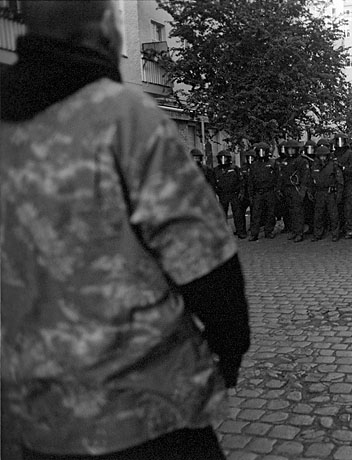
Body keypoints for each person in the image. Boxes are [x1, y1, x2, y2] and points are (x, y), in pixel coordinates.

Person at [0, 2, 251, 459]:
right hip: (147, 409)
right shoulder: (125, 117)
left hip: (38, 419)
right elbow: (207, 267)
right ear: (104, 30)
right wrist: (228, 353)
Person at [309, 145, 344, 241]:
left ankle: (335, 234)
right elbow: (311, 180)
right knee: (318, 215)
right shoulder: (314, 166)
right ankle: (317, 234)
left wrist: (339, 194)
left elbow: (339, 180)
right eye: (320, 156)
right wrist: (310, 191)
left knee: (333, 215)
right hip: (319, 192)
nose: (322, 158)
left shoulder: (333, 165)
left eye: (324, 156)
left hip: (330, 192)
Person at [279, 139, 310, 242]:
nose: (291, 152)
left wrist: (302, 190)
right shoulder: (285, 161)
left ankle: (299, 233)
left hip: (297, 188)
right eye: (289, 150)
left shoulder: (302, 161)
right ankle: (294, 231)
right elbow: (282, 176)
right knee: (290, 212)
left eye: (293, 149)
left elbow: (305, 176)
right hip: (287, 188)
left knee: (298, 212)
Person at [248, 142, 278, 241]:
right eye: (259, 152)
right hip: (258, 192)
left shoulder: (272, 163)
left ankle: (269, 231)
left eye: (263, 151)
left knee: (270, 212)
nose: (261, 153)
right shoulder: (254, 165)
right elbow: (251, 180)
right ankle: (254, 233)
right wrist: (251, 194)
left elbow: (277, 178)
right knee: (256, 213)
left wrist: (276, 190)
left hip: (269, 191)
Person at [214, 149, 247, 239]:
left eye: (225, 158)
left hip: (234, 194)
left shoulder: (234, 168)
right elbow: (214, 183)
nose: (223, 160)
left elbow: (241, 181)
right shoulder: (216, 170)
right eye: (221, 158)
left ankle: (240, 232)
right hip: (223, 195)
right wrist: (218, 192)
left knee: (237, 214)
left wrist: (241, 191)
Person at [332, 132, 352, 239]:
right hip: (337, 184)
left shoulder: (350, 154)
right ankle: (339, 228)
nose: (339, 143)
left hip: (348, 183)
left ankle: (350, 228)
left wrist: (343, 168)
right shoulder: (333, 154)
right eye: (337, 141)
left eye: (341, 141)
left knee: (349, 207)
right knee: (337, 207)